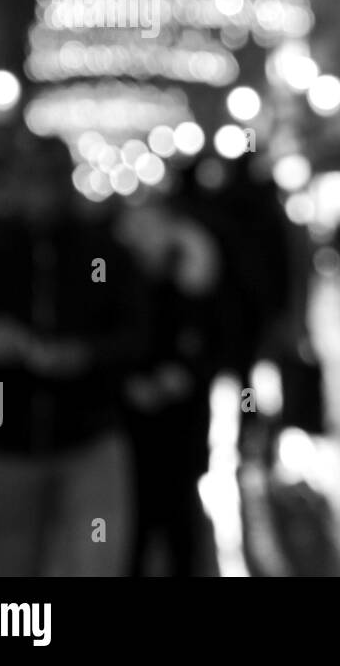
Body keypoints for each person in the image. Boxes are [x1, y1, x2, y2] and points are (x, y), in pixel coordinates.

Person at [0, 135, 149, 576]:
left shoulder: (102, 250)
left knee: (95, 562)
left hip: (90, 439)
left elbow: (136, 336)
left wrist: (84, 355)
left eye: (49, 179)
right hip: (8, 444)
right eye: (28, 178)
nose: (38, 192)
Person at [116, 198, 229, 576]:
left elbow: (216, 340)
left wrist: (183, 375)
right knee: (133, 524)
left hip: (181, 427)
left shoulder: (195, 276)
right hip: (132, 430)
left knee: (179, 521)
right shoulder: (122, 277)